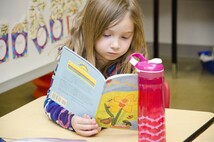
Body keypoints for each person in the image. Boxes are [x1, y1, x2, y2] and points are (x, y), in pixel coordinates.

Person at [44, 0, 148, 137]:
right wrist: (72, 121)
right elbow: (51, 102)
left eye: (125, 37)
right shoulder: (72, 60)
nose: (116, 45)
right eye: (106, 35)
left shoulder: (131, 65)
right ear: (90, 29)